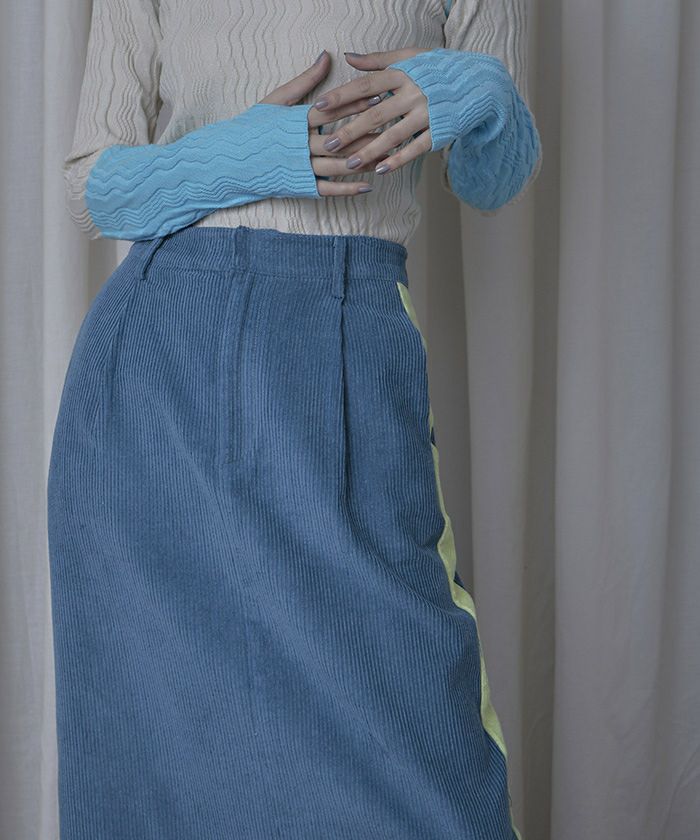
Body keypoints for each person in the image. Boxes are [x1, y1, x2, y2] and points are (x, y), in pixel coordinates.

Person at [48, 1, 541, 837]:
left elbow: (491, 182)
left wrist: (481, 92)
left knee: (423, 755)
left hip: (345, 338)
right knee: (157, 773)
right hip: (157, 372)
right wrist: (248, 154)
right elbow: (93, 190)